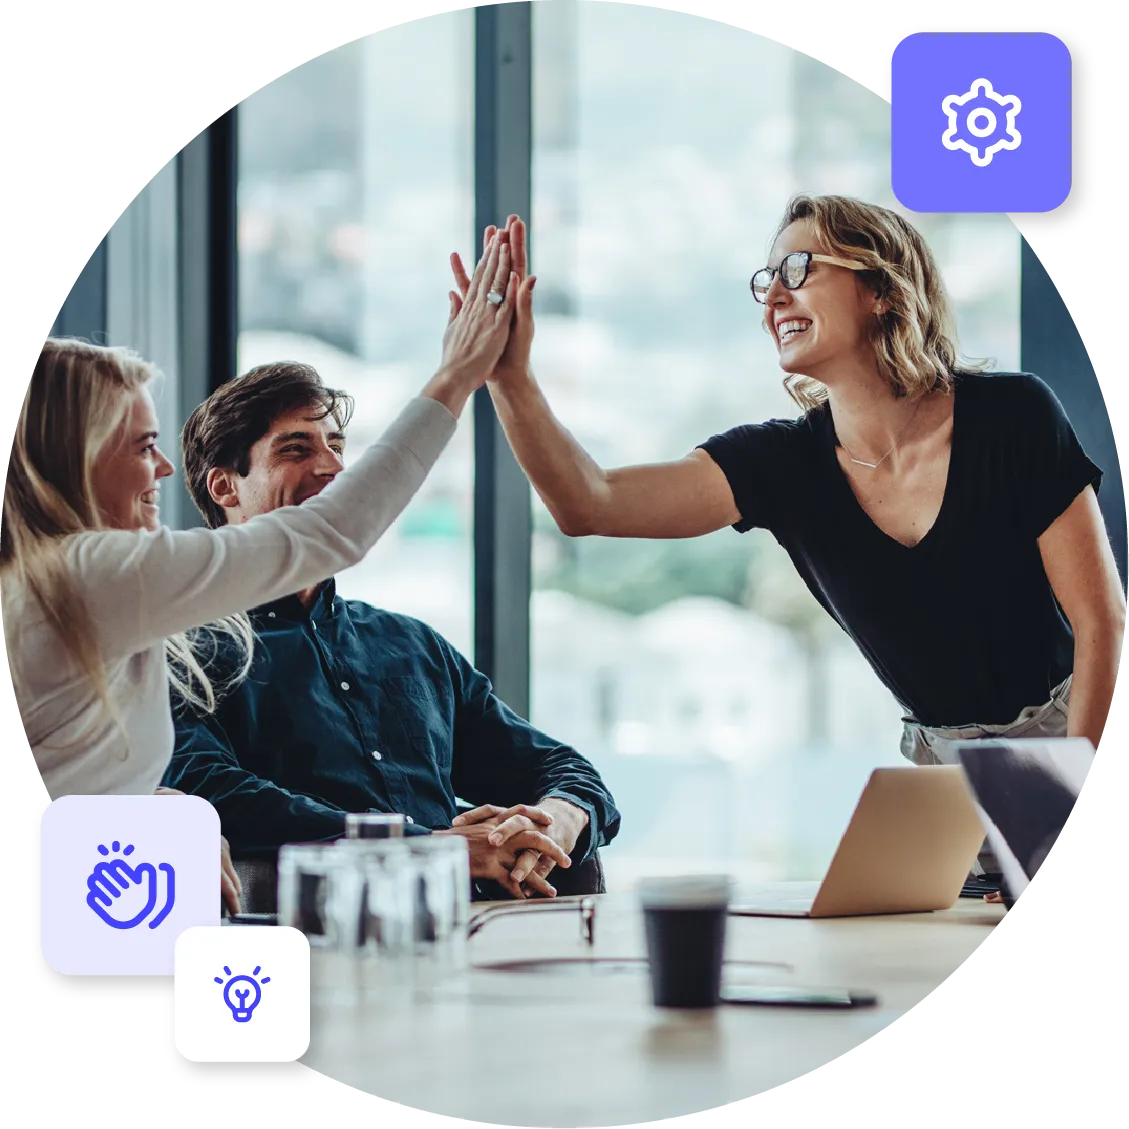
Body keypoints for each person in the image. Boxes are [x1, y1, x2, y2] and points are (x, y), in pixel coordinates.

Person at [450, 199, 1126, 886]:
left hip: (1080, 738)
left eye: (799, 269)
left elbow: (1102, 621)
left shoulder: (1013, 416)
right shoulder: (780, 465)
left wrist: (1073, 809)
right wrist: (509, 377)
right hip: (945, 783)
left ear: (881, 289)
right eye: (766, 279)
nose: (773, 296)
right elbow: (586, 502)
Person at [1, 230, 520, 913]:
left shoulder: (45, 582)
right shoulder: (92, 574)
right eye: (144, 446)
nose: (163, 468)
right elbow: (332, 531)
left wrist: (154, 801)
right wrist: (455, 377)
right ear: (75, 454)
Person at [163, 360, 620, 901]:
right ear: (225, 487)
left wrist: (556, 819)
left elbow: (560, 767)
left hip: (475, 926)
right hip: (315, 929)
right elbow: (210, 790)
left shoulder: (412, 644)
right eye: (296, 449)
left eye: (336, 446)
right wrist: (429, 848)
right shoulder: (180, 650)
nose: (333, 466)